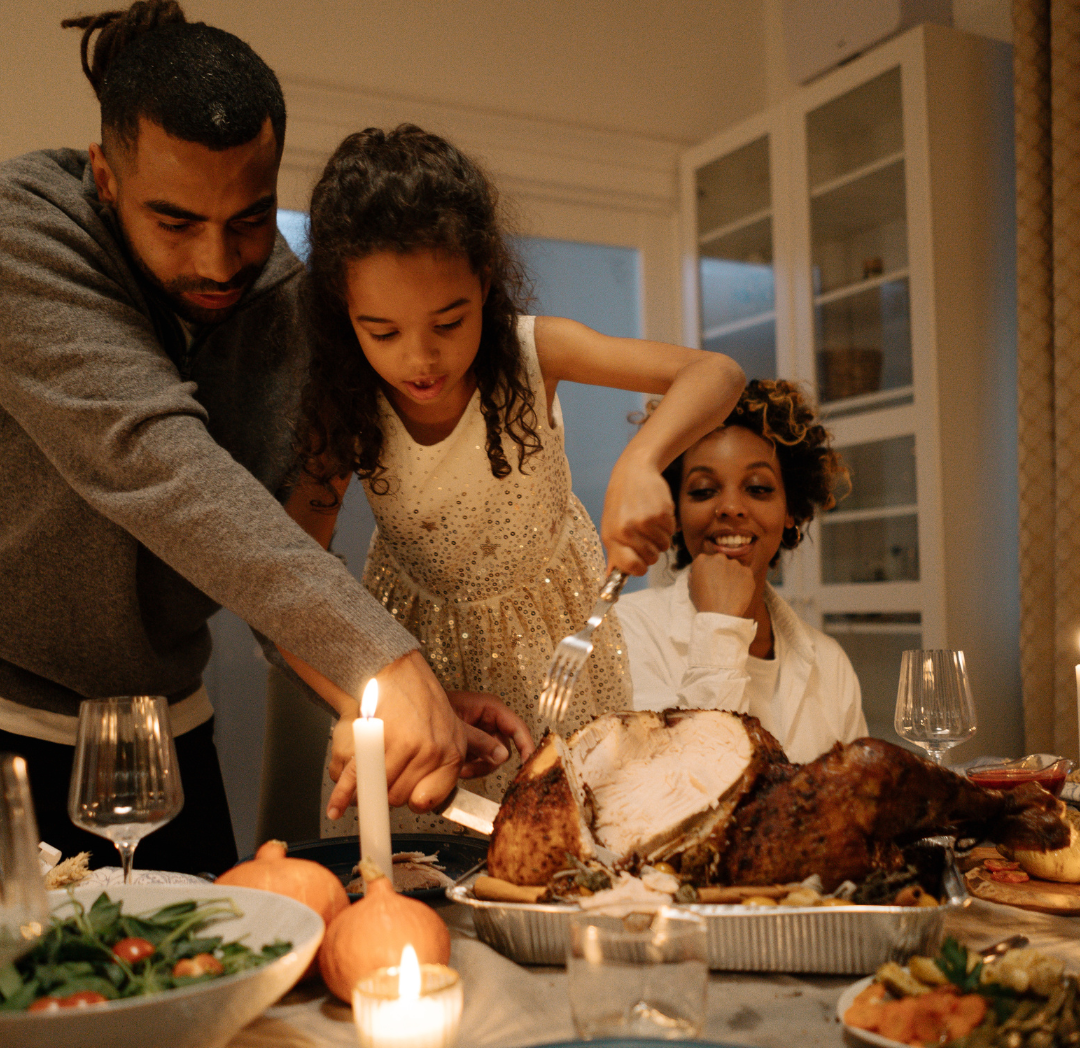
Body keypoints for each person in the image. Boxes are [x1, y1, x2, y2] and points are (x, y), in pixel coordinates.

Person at [0, 4, 527, 875]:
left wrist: (393, 697)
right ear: (104, 174)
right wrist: (383, 658)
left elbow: (269, 556)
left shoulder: (286, 304)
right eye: (175, 222)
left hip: (172, 729)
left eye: (249, 219)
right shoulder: (24, 233)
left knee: (210, 981)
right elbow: (156, 462)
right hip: (11, 720)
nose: (216, 262)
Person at [287, 125, 747, 828]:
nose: (421, 358)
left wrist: (642, 459)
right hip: (414, 658)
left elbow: (716, 373)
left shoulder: (537, 352)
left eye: (449, 321)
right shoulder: (343, 406)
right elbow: (289, 588)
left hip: (561, 653)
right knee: (424, 874)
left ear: (486, 281)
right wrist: (367, 703)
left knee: (574, 855)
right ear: (343, 314)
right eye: (382, 332)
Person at [617, 379, 867, 762]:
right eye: (703, 490)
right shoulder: (627, 633)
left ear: (790, 512)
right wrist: (719, 625)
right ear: (675, 513)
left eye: (758, 488)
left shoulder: (829, 663)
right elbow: (681, 797)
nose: (731, 507)